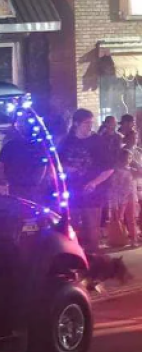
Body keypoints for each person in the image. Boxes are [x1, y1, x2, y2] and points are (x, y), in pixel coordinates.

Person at [60, 108, 115, 252]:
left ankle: (93, 257)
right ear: (76, 123)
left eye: (91, 123)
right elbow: (57, 164)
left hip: (92, 194)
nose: (90, 126)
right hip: (72, 191)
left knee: (92, 229)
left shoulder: (98, 141)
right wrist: (66, 168)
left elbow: (109, 168)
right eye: (86, 123)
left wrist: (94, 182)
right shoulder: (67, 141)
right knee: (72, 229)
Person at [0, 120, 51, 202]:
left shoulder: (11, 145)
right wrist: (37, 181)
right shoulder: (38, 146)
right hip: (27, 188)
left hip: (15, 187)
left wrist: (3, 180)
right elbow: (43, 165)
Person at [107, 148, 138, 247]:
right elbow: (113, 186)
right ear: (121, 158)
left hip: (130, 196)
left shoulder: (131, 170)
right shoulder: (115, 170)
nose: (127, 160)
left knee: (131, 219)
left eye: (129, 157)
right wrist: (113, 201)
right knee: (118, 219)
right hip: (119, 198)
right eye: (126, 157)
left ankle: (133, 239)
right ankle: (119, 238)